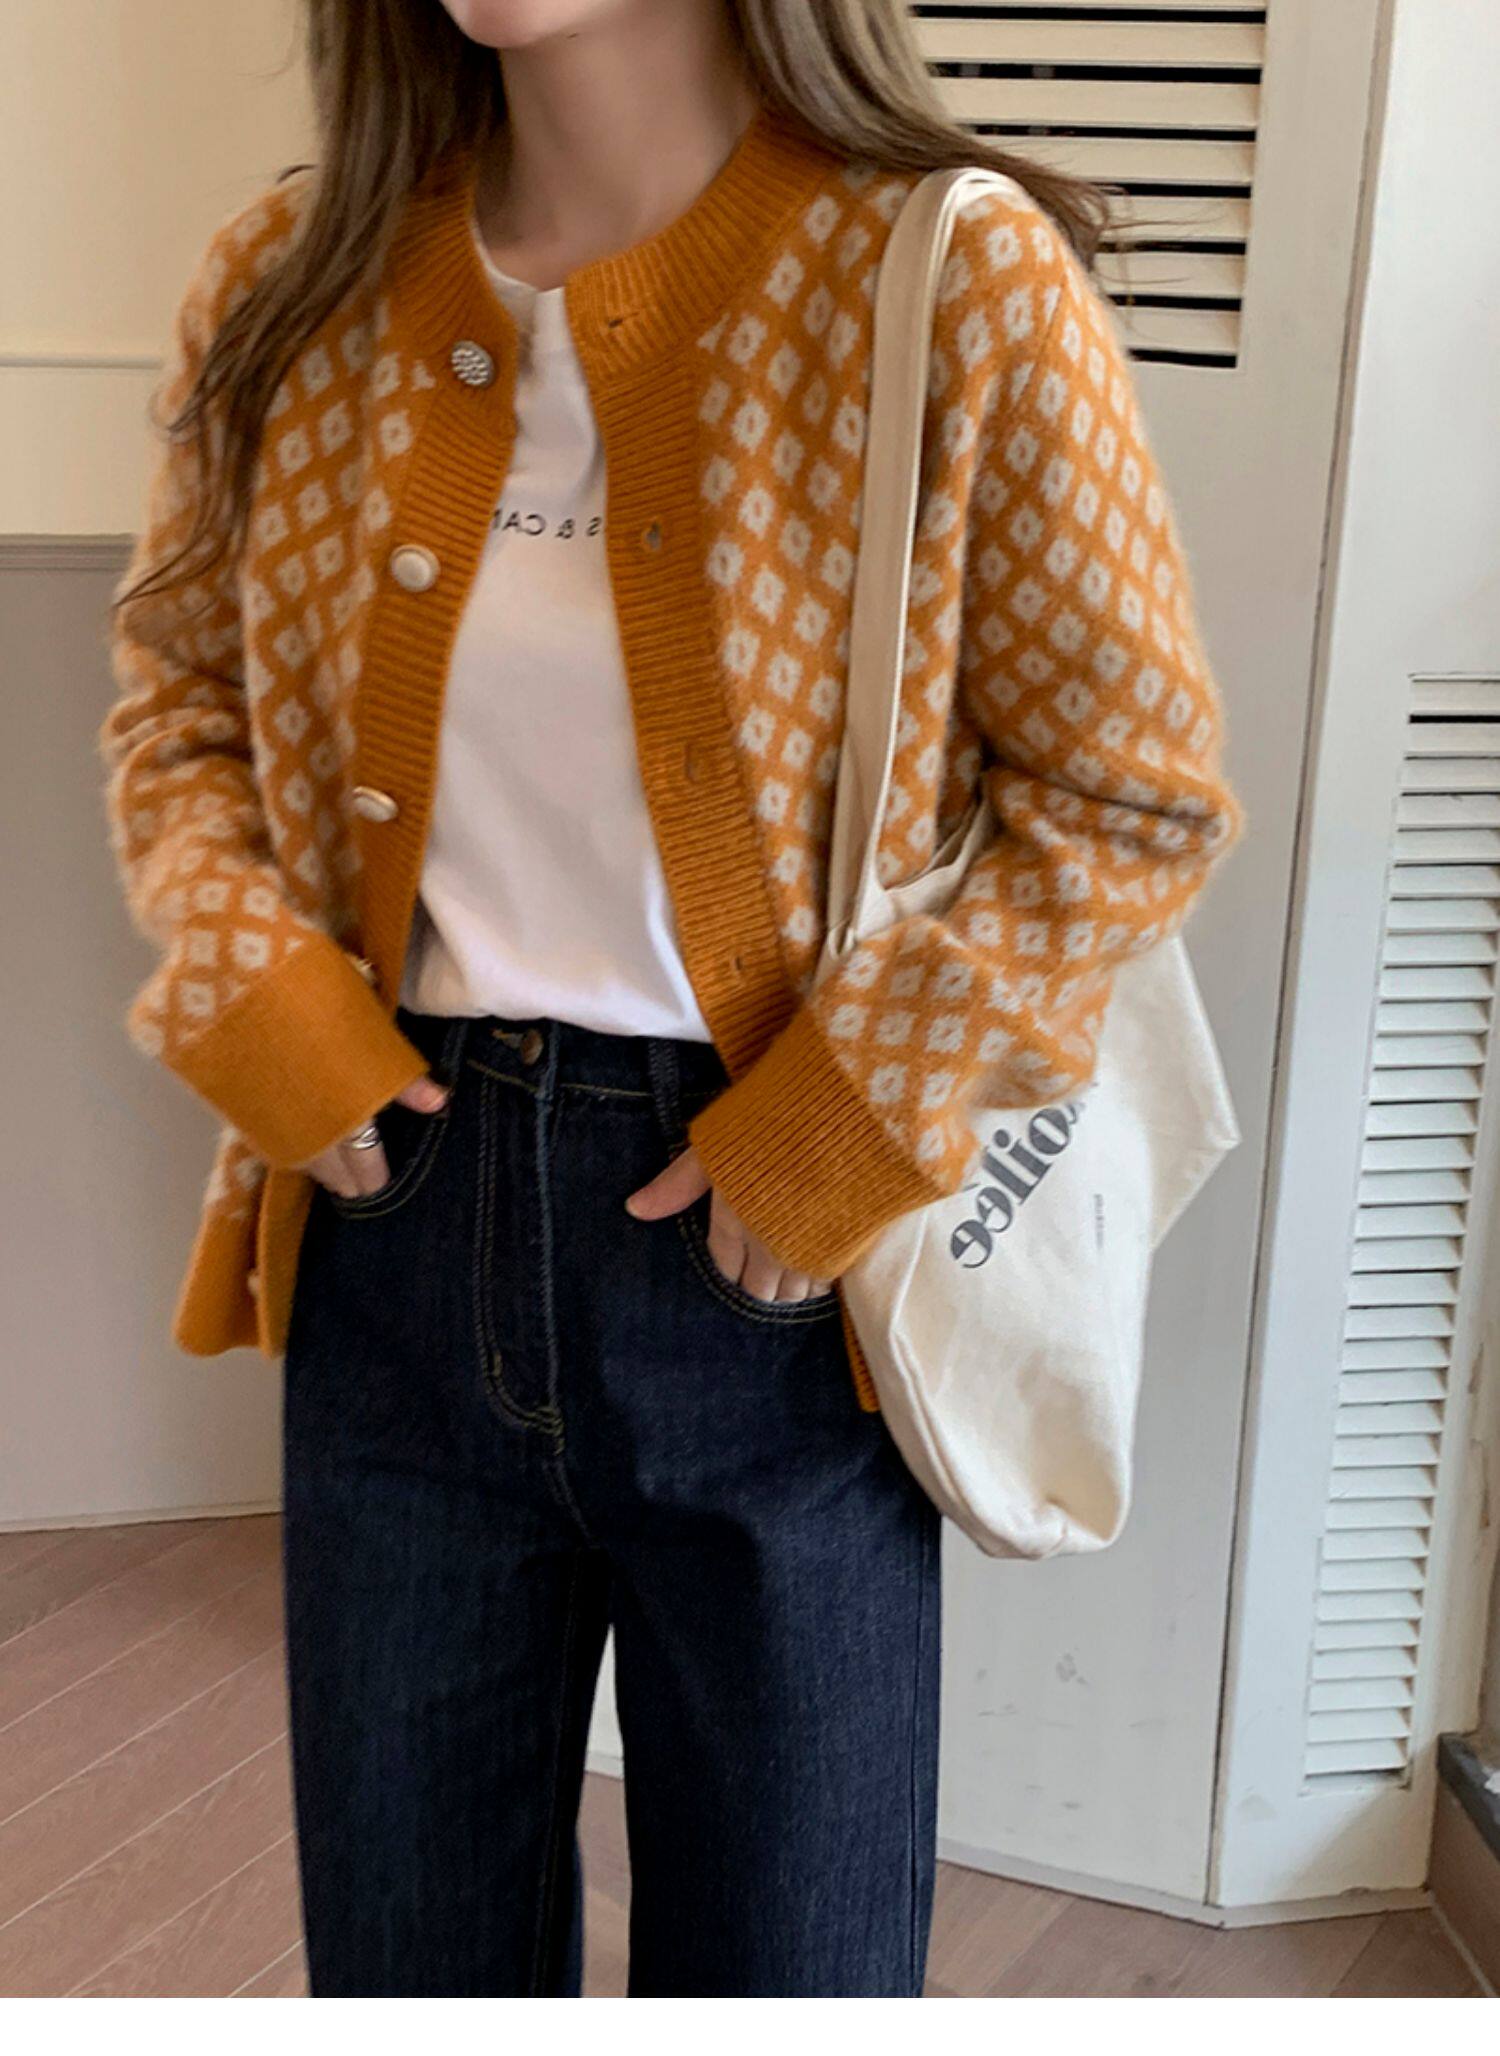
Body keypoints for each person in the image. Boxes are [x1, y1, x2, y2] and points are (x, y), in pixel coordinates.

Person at [98, 0, 1245, 1999]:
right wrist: (262, 1009)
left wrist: (843, 1127)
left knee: (790, 1982)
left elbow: (1129, 793)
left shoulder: (947, 274)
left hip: (766, 1262)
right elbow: (177, 710)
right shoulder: (289, 278)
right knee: (409, 1976)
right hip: (392, 1222)